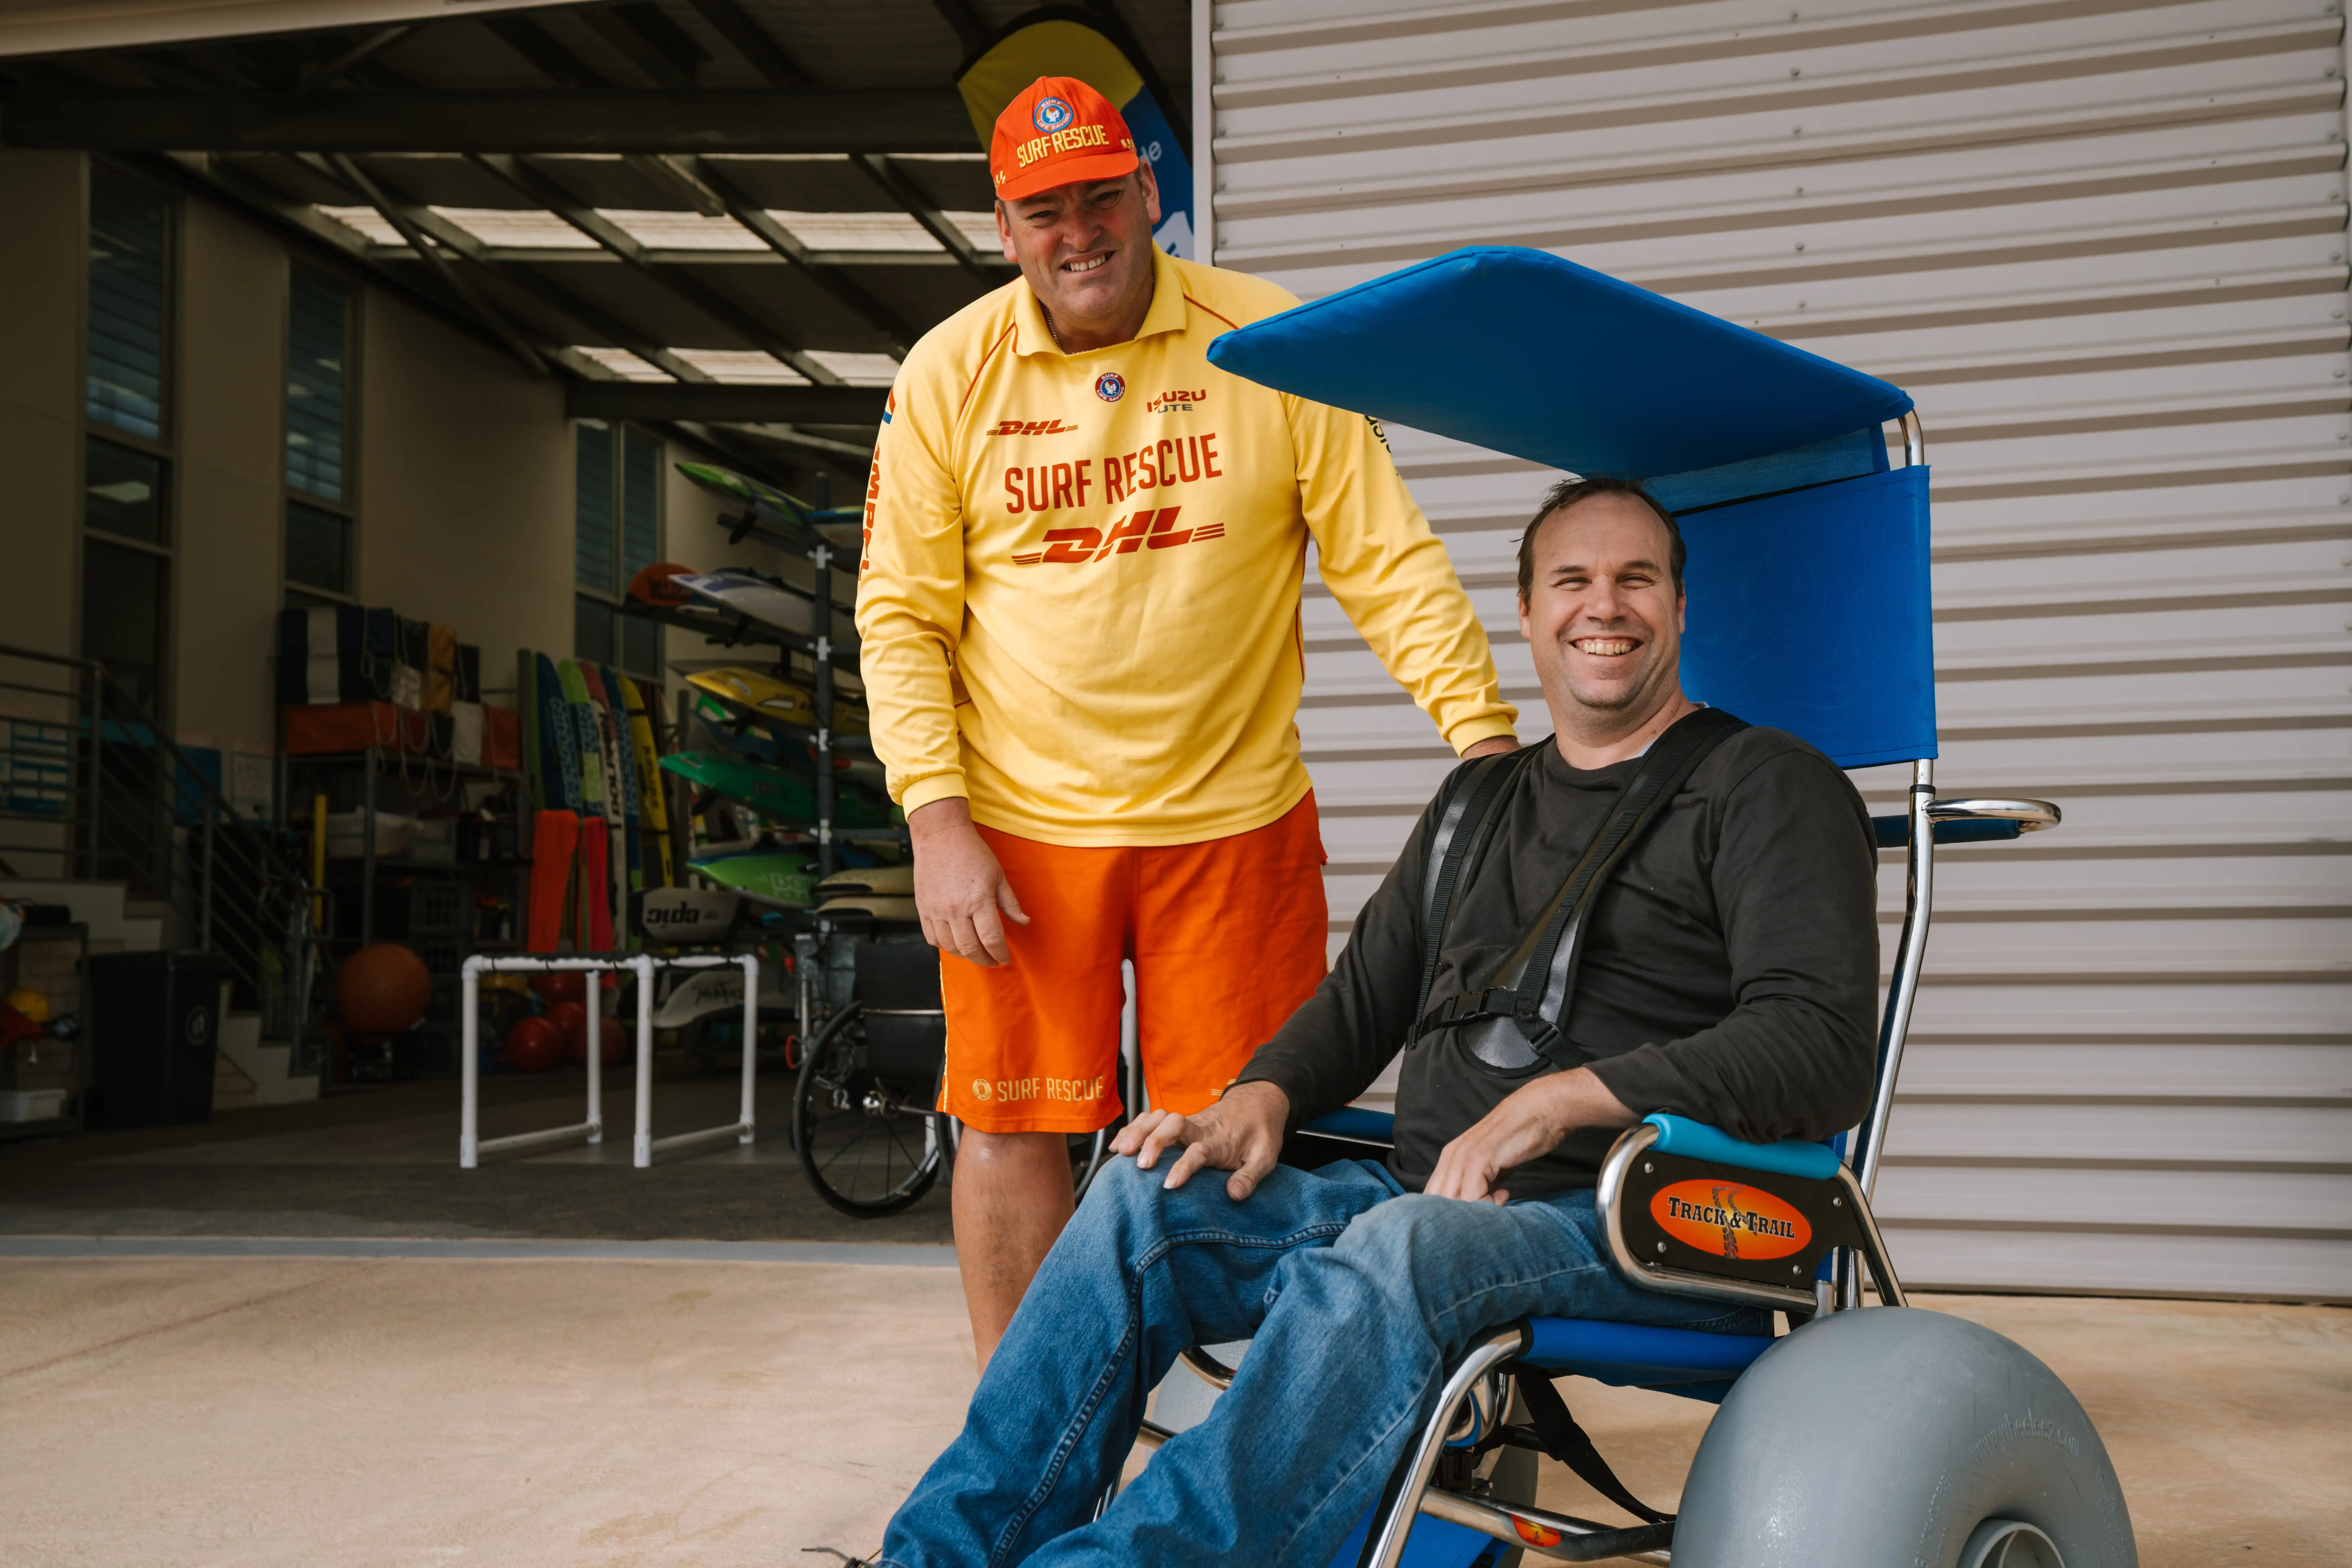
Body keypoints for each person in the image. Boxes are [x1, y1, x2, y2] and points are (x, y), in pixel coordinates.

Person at [867, 477, 1882, 1566]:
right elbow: (1364, 1001)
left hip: (1641, 1216)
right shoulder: (1478, 801)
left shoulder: (1767, 784)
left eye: (1638, 579)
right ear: (1531, 615)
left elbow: (1821, 1045)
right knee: (1141, 1200)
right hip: (1429, 1198)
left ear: (1681, 610)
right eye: (1572, 580)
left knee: (1406, 1241)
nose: (1606, 605)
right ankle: (935, 1557)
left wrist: (1562, 1103)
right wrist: (1253, 1101)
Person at [856, 73, 1519, 1366]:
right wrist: (935, 820)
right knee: (1005, 1125)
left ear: (1149, 192)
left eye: (1102, 195)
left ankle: (1250, 1441)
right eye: (1045, 211)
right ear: (1006, 228)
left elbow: (1387, 561)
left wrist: (1486, 750)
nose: (1080, 231)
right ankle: (1026, 1437)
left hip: (1232, 823)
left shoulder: (1269, 345)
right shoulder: (948, 374)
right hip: (1018, 826)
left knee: (1249, 1136)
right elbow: (902, 617)